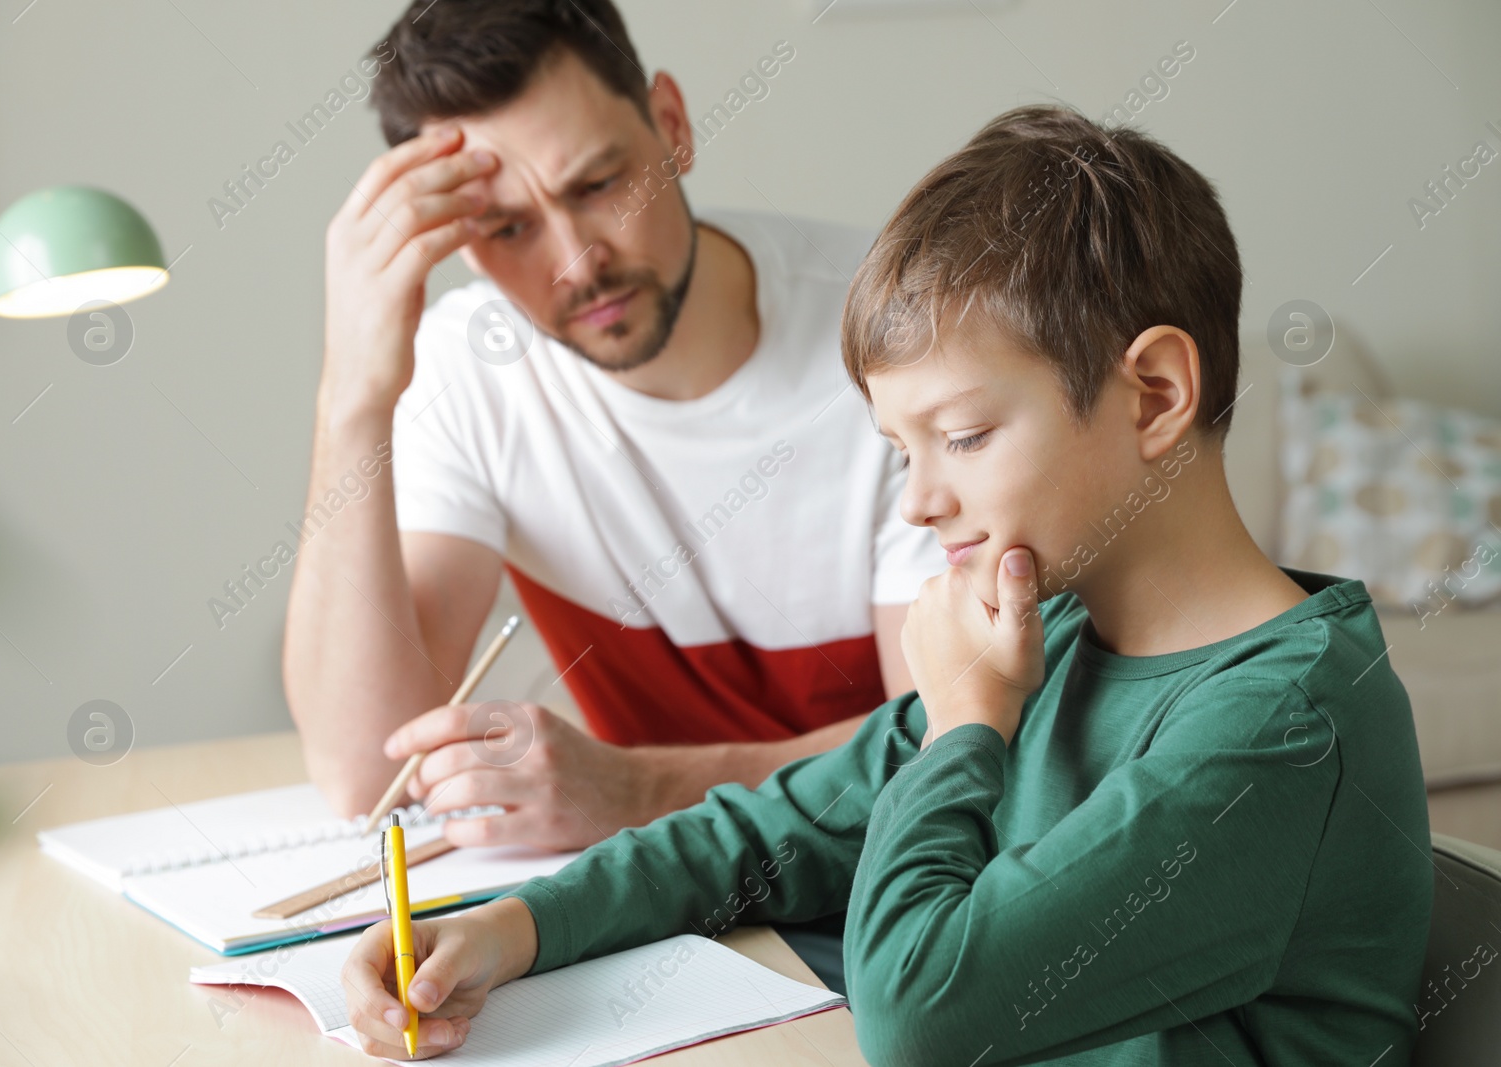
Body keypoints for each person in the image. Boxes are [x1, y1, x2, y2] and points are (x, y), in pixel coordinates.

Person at [338, 105, 1433, 1064]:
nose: (917, 503)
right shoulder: (1041, 633)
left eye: (959, 436)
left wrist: (965, 727)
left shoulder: (1276, 731)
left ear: (1151, 393)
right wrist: (506, 927)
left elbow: (919, 1013)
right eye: (900, 451)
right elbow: (772, 831)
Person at [282, 0, 944, 850]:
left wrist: (639, 789)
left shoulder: (908, 334)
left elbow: (944, 756)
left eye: (597, 186)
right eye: (507, 227)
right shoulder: (469, 373)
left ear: (671, 124)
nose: (576, 262)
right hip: (673, 903)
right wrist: (352, 398)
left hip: (893, 899)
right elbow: (363, 770)